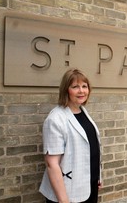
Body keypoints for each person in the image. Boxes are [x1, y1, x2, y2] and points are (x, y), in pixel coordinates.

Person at [39, 68, 102, 203]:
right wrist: (64, 200)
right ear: (66, 90)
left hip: (87, 186)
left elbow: (90, 148)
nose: (81, 91)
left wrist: (97, 177)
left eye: (84, 86)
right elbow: (52, 164)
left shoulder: (82, 111)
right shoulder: (55, 119)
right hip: (68, 193)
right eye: (75, 87)